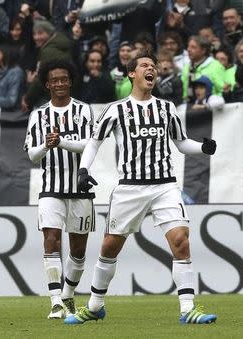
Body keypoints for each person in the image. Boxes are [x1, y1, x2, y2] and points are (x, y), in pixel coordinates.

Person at [65, 51, 218, 325]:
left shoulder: (166, 108)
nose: (151, 69)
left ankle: (187, 309)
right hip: (130, 189)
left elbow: (181, 143)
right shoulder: (116, 109)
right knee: (109, 247)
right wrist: (84, 170)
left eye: (154, 66)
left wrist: (203, 147)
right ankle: (95, 305)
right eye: (145, 66)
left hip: (165, 186)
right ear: (132, 74)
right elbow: (94, 142)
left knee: (181, 240)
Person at [24, 59, 96, 319]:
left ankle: (67, 295)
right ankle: (55, 301)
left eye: (64, 79)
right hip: (50, 188)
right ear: (47, 84)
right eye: (54, 80)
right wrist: (46, 145)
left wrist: (61, 142)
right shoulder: (38, 115)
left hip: (80, 189)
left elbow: (90, 145)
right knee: (51, 240)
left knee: (78, 251)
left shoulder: (84, 111)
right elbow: (32, 155)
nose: (60, 83)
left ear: (70, 81)